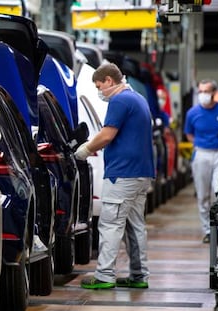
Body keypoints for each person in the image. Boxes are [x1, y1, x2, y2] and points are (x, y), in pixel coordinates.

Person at [75, 62, 155, 289]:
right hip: (141, 173)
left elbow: (107, 134)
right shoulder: (138, 98)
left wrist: (85, 150)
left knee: (110, 225)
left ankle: (104, 275)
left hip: (122, 175)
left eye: (100, 86)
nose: (100, 92)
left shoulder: (119, 100)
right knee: (135, 226)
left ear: (109, 81)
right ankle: (139, 276)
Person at [184, 79, 218, 244]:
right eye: (200, 91)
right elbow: (189, 134)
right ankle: (207, 230)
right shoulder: (192, 113)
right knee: (203, 195)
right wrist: (200, 145)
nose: (202, 95)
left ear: (213, 93)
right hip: (202, 154)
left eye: (205, 91)